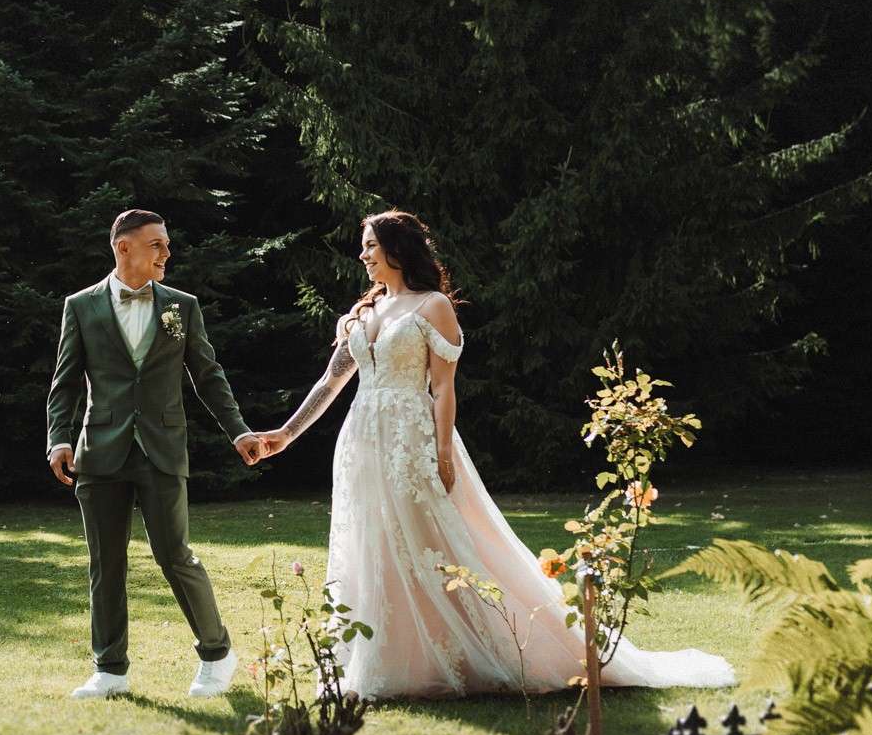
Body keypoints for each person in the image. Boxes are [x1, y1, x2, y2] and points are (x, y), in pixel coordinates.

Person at [253, 209, 734, 699]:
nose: (363, 255)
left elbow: (442, 387)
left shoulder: (433, 305)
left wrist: (442, 453)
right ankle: (382, 657)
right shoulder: (362, 313)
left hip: (412, 441)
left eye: (371, 246)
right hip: (361, 443)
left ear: (397, 250)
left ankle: (478, 648)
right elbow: (333, 381)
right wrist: (285, 434)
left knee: (432, 543)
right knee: (370, 542)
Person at [46, 209, 265, 699]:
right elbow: (64, 382)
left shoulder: (181, 307)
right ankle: (110, 670)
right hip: (99, 451)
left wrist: (238, 431)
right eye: (156, 245)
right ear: (123, 247)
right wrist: (59, 438)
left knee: (175, 556)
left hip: (161, 450)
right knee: (106, 563)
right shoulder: (80, 306)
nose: (167, 253)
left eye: (166, 244)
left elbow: (208, 375)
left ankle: (217, 654)